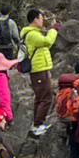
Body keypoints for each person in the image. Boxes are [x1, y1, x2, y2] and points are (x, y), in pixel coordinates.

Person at [20, 8, 59, 136]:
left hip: (41, 69)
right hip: (38, 70)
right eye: (41, 18)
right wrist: (54, 30)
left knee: (40, 97)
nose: (42, 21)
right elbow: (47, 42)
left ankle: (36, 124)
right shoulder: (32, 34)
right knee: (47, 97)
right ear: (35, 19)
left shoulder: (33, 32)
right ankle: (38, 125)